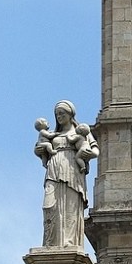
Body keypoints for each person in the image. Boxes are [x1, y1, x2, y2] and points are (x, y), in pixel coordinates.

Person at [34, 102, 98, 251]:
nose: (59, 117)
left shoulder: (82, 131)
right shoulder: (53, 134)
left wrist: (89, 154)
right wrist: (39, 150)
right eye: (57, 115)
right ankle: (51, 242)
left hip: (72, 169)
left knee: (71, 205)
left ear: (70, 115)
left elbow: (95, 150)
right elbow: (40, 148)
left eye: (62, 113)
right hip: (54, 169)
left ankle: (69, 242)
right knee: (49, 205)